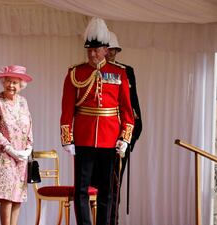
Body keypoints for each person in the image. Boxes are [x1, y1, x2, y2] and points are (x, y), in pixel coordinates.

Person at [60, 17, 134, 225]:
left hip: (110, 139)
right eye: (89, 50)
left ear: (105, 49)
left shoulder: (119, 73)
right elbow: (67, 107)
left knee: (107, 191)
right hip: (83, 138)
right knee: (81, 189)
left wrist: (125, 138)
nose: (92, 54)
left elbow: (127, 111)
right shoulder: (76, 73)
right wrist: (67, 137)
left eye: (96, 50)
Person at [0, 65, 33, 225]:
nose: (11, 85)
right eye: (8, 81)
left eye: (15, 82)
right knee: (7, 197)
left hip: (21, 156)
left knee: (17, 196)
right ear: (3, 82)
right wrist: (10, 149)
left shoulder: (23, 102)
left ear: (21, 85)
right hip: (4, 156)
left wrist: (28, 148)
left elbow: (29, 125)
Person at [106, 31, 143, 225]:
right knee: (95, 186)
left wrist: (129, 138)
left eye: (113, 50)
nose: (110, 53)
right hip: (99, 136)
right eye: (107, 49)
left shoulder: (126, 71)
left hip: (121, 135)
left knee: (114, 185)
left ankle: (113, 221)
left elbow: (133, 106)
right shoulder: (89, 71)